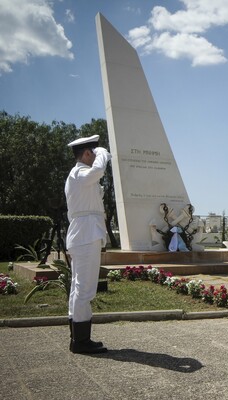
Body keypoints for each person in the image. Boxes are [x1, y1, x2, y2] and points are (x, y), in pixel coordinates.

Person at [65, 134, 111, 354]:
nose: (96, 156)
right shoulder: (80, 173)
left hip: (84, 234)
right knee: (84, 289)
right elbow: (97, 171)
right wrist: (103, 154)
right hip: (85, 235)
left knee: (78, 287)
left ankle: (78, 338)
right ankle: (81, 342)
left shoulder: (82, 176)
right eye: (93, 152)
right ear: (86, 154)